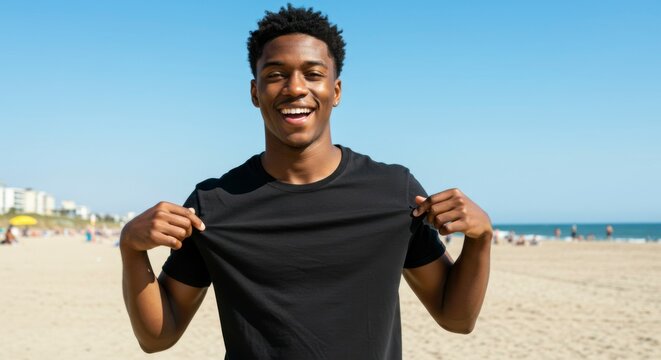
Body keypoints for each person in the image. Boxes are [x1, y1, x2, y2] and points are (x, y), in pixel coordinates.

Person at [120, 5, 492, 359]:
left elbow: (455, 317)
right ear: (254, 92)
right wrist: (132, 249)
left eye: (313, 74)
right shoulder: (214, 204)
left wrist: (481, 239)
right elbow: (159, 336)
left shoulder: (394, 192)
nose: (295, 88)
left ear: (336, 91)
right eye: (275, 75)